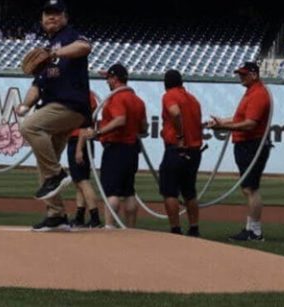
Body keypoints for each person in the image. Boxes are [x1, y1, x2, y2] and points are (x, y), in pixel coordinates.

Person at [15, 0, 92, 232]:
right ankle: (56, 215)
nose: (52, 17)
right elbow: (37, 86)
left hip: (70, 105)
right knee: (43, 162)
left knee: (29, 128)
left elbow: (85, 47)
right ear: (41, 19)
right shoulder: (45, 51)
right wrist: (24, 107)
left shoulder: (68, 36)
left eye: (57, 13)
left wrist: (56, 51)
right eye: (48, 14)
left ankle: (57, 175)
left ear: (65, 17)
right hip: (56, 109)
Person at [205, 60, 271, 242]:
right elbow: (240, 118)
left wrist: (226, 127)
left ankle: (255, 232)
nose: (240, 77)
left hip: (252, 145)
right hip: (246, 145)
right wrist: (221, 122)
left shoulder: (258, 94)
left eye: (244, 74)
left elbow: (250, 124)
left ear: (254, 75)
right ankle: (250, 229)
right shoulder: (251, 93)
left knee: (251, 188)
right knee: (248, 189)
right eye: (240, 74)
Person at [83, 62, 148, 228]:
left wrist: (99, 133)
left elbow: (120, 120)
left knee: (111, 191)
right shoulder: (138, 100)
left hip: (116, 148)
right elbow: (144, 127)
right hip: (131, 149)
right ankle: (131, 228)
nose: (107, 82)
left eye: (109, 78)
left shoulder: (116, 98)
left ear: (115, 78)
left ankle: (110, 226)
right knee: (129, 191)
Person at [158, 69, 203, 236]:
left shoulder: (169, 95)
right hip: (195, 149)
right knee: (189, 191)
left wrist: (180, 136)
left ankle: (175, 229)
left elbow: (175, 113)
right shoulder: (193, 99)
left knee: (170, 190)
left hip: (178, 148)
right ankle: (194, 228)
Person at [68, 90, 102, 229]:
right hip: (82, 140)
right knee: (79, 181)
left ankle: (95, 218)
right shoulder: (89, 95)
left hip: (78, 139)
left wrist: (78, 149)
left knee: (82, 181)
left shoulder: (80, 95)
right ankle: (80, 216)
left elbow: (84, 124)